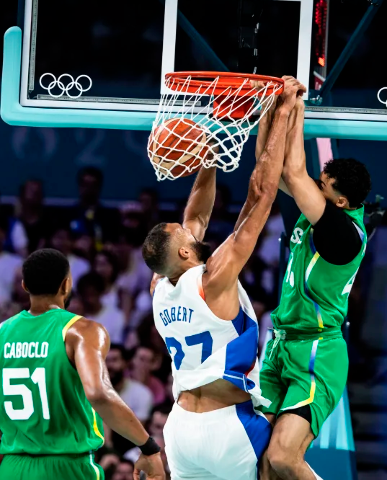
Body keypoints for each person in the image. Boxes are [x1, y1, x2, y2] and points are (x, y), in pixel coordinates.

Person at [142, 77, 306, 480]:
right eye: (178, 231)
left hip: (179, 429)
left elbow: (195, 215)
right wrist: (282, 112)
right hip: (227, 426)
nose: (185, 227)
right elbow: (260, 195)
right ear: (184, 251)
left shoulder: (160, 286)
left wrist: (209, 155)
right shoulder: (213, 276)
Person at [257, 96, 372, 479]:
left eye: (320, 186)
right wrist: (268, 115)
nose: (311, 187)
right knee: (259, 458)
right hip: (281, 344)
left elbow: (292, 172)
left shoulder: (344, 233)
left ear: (339, 200)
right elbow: (271, 168)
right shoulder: (319, 211)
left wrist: (294, 107)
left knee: (284, 457)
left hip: (316, 351)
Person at [0, 248, 165, 480]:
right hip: (67, 466)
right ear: (67, 285)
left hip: (11, 467)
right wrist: (148, 447)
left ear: (25, 285)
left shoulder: (2, 333)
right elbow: (98, 394)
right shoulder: (81, 330)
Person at [106, 344, 154, 423]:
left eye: (114, 360)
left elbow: (138, 431)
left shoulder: (141, 393)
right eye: (105, 360)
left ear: (125, 363)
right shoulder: (88, 390)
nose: (109, 365)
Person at [77, 272, 126, 344]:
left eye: (93, 294)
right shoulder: (77, 317)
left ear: (101, 292)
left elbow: (117, 345)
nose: (90, 300)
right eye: (87, 295)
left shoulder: (116, 316)